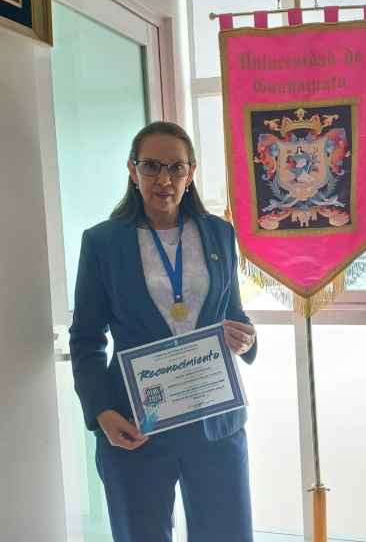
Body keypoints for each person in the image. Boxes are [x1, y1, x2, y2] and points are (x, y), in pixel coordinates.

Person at [69, 121, 257, 542]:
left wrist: (247, 339)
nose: (164, 179)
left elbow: (233, 312)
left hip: (214, 420)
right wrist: (102, 413)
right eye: (151, 166)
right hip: (136, 424)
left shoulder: (219, 233)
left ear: (191, 172)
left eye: (176, 167)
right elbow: (86, 339)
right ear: (132, 170)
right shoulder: (102, 243)